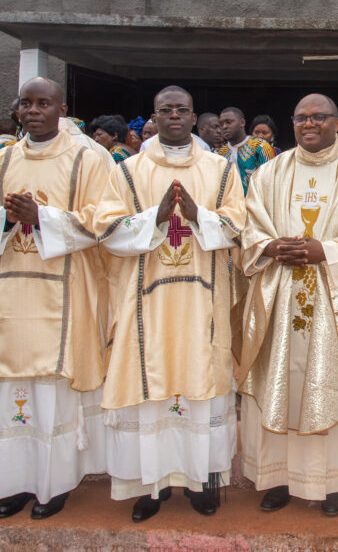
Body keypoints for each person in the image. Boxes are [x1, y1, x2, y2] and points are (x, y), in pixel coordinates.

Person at [93, 85, 245, 522]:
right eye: (165, 110)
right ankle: (150, 486)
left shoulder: (220, 170)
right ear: (153, 117)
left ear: (194, 117)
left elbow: (240, 224)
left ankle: (202, 483)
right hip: (146, 304)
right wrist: (154, 219)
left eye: (182, 110)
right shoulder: (127, 171)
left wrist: (199, 216)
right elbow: (105, 227)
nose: (174, 116)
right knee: (148, 385)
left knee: (202, 380)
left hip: (203, 302)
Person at [0, 77, 109, 520]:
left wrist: (41, 217)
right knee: (11, 393)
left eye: (43, 103)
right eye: (25, 103)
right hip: (10, 293)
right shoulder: (3, 159)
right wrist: (3, 219)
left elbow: (103, 219)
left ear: (60, 108)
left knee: (53, 392)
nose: (32, 111)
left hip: (64, 294)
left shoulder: (88, 156)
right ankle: (16, 483)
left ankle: (54, 484)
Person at [240, 94, 338, 517]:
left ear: (337, 123)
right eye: (301, 117)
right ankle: (278, 476)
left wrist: (330, 251)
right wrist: (270, 245)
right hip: (280, 298)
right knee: (278, 382)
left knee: (330, 384)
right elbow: (248, 227)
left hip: (336, 301)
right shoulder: (268, 173)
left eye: (319, 117)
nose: (309, 124)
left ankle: (335, 480)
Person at [217, 107, 276, 195]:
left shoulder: (260, 147)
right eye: (221, 124)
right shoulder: (221, 153)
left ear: (242, 123)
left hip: (255, 205)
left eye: (228, 122)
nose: (224, 127)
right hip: (229, 206)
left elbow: (268, 184)